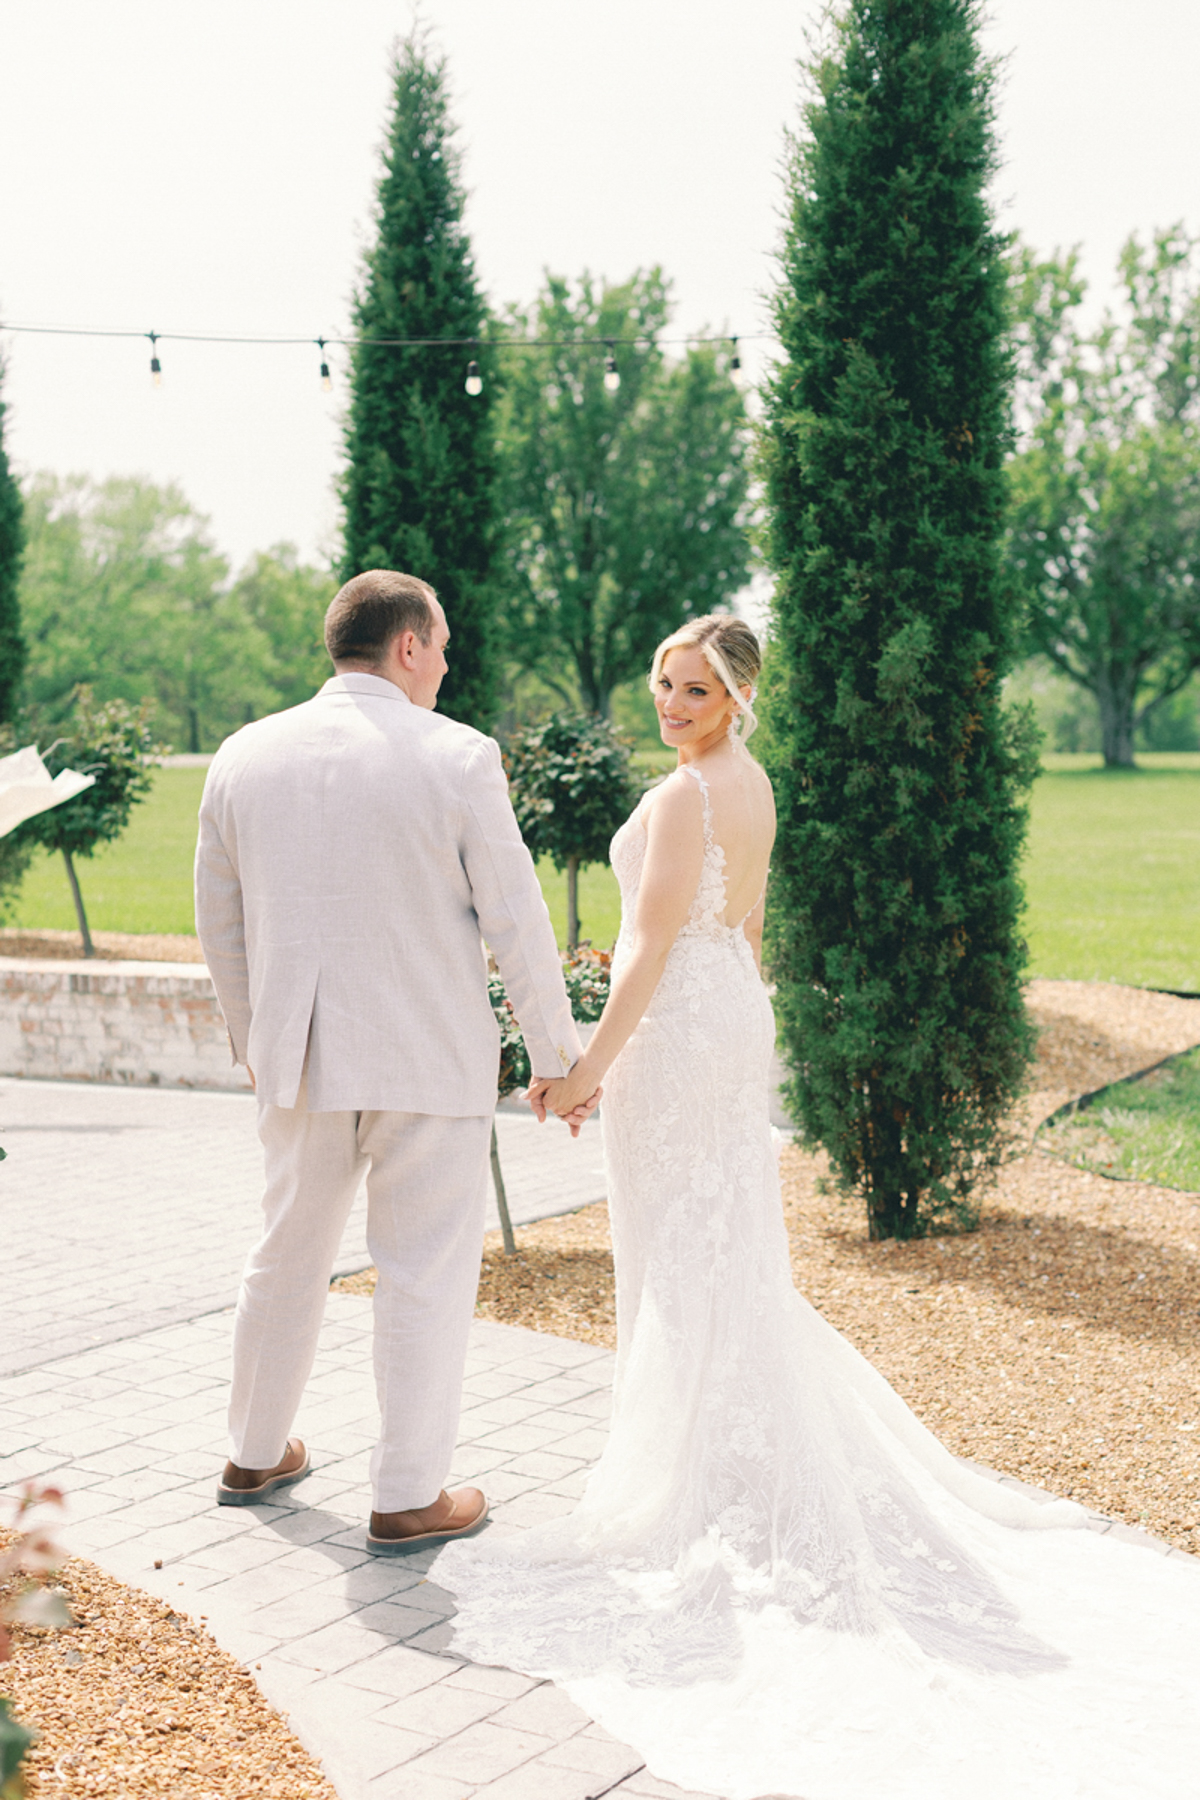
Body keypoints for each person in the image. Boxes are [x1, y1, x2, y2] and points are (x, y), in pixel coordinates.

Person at [438, 613, 1200, 1800]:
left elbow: (645, 945)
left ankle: (703, 1485)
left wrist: (586, 1066)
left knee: (690, 1260)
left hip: (683, 1034)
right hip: (729, 1019)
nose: (670, 704)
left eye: (692, 690)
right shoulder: (752, 786)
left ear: (737, 695)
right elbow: (740, 935)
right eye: (659, 684)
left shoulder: (691, 797)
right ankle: (724, 1457)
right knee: (720, 1255)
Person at [195, 569, 596, 1552]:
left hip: (296, 1058)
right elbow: (517, 918)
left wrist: (256, 1044)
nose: (446, 667)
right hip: (427, 1055)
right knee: (420, 1272)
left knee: (285, 1251)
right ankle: (408, 1495)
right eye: (443, 647)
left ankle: (252, 1449)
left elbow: (221, 927)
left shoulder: (242, 757)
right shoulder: (457, 756)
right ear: (409, 645)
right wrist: (558, 1054)